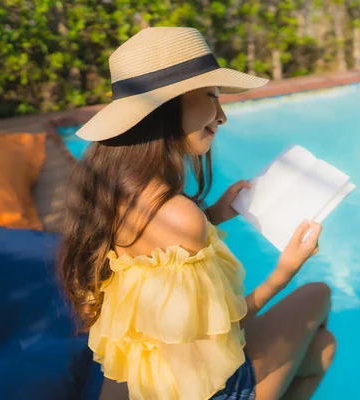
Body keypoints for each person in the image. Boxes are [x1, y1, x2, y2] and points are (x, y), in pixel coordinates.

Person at [58, 27, 336, 400]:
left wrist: (215, 214)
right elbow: (228, 329)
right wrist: (286, 271)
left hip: (145, 385)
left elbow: (155, 258)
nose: (221, 116)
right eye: (211, 96)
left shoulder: (113, 189)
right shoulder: (180, 217)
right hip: (200, 391)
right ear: (167, 106)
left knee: (322, 347)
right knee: (318, 298)